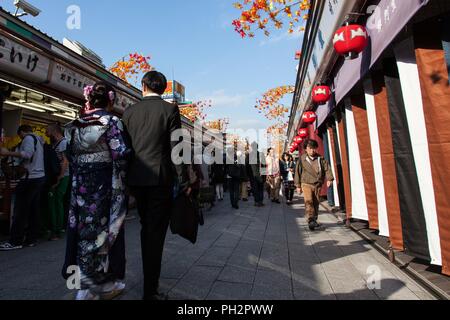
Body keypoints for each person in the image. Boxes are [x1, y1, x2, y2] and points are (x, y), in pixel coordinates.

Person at [122, 71, 189, 301]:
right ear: (162, 89)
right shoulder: (170, 110)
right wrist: (184, 180)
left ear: (143, 86)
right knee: (155, 232)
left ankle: (150, 282)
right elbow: (177, 148)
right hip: (160, 179)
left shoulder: (129, 112)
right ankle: (150, 289)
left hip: (137, 180)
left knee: (145, 227)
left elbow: (125, 150)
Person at [63, 81, 130, 300]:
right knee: (105, 232)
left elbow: (70, 155)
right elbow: (120, 155)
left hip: (80, 186)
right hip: (105, 185)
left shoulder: (76, 123)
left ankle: (83, 286)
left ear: (89, 98)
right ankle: (99, 285)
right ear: (111, 100)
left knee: (82, 231)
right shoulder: (112, 122)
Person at [0, 125, 46, 251]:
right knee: (33, 210)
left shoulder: (28, 138)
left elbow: (27, 154)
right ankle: (31, 239)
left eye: (20, 135)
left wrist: (7, 152)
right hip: (39, 177)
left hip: (29, 178)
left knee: (20, 211)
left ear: (21, 132)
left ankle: (15, 241)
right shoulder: (39, 139)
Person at [294, 139, 334, 231]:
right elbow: (297, 172)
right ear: (306, 149)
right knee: (309, 201)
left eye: (314, 148)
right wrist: (298, 186)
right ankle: (311, 219)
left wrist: (329, 179)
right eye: (310, 148)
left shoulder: (320, 158)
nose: (312, 150)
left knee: (316, 202)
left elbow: (327, 168)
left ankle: (314, 220)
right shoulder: (302, 159)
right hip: (306, 183)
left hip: (317, 184)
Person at [45, 123, 70, 241]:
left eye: (47, 129)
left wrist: (60, 177)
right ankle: (55, 228)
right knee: (54, 202)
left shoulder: (63, 143)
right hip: (57, 176)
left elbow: (65, 162)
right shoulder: (55, 144)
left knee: (56, 202)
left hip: (62, 176)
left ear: (54, 131)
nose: (45, 132)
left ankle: (57, 230)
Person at [248, 142, 265, 207]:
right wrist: (264, 175)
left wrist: (248, 175)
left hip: (253, 175)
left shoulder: (249, 155)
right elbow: (264, 165)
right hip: (260, 175)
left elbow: (247, 166)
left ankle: (256, 201)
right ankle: (260, 201)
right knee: (260, 189)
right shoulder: (261, 154)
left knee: (255, 189)